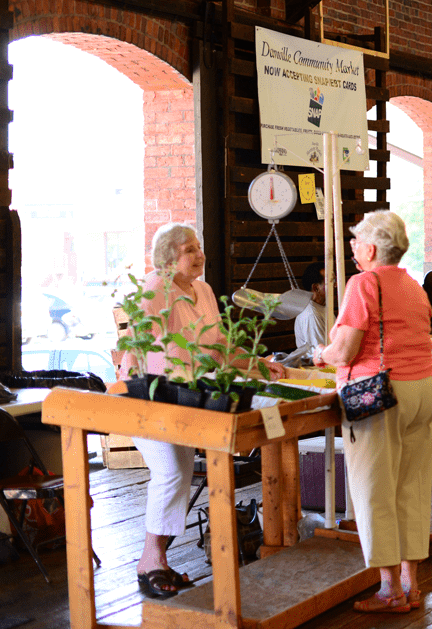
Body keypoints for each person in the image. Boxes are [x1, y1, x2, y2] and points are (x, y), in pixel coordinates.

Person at [125, 223, 286, 598]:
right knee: (169, 474)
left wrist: (257, 363)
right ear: (166, 260)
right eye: (189, 250)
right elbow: (133, 345)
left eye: (199, 247)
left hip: (188, 399)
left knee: (178, 475)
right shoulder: (154, 290)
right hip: (152, 398)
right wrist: (130, 388)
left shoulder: (204, 289)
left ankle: (157, 560)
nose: (199, 255)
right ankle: (149, 561)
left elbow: (218, 348)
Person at [316, 210, 432, 613]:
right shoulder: (413, 285)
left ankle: (389, 591)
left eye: (355, 241)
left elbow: (345, 350)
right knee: (414, 485)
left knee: (374, 490)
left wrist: (321, 354)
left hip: (379, 392)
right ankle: (411, 583)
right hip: (424, 387)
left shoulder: (363, 284)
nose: (352, 248)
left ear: (370, 248)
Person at [294, 261, 327, 361]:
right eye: (330, 282)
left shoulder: (322, 307)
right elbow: (320, 354)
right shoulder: (311, 315)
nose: (335, 285)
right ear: (316, 288)